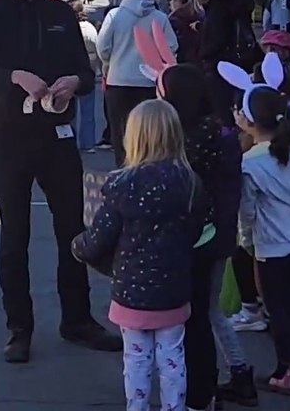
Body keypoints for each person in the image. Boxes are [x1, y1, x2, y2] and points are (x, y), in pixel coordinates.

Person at [0, 0, 121, 363]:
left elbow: (87, 74)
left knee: (73, 231)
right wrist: (8, 78)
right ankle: (19, 327)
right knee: (15, 237)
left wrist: (75, 82)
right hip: (11, 139)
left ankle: (78, 318)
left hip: (57, 137)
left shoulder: (60, 15)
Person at [71, 99, 208, 411]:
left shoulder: (122, 185)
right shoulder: (189, 183)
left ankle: (138, 406)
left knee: (136, 359)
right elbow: (196, 230)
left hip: (132, 290)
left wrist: (78, 246)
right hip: (174, 288)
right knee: (173, 356)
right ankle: (175, 406)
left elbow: (99, 239)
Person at [157, 64, 255, 408]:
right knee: (206, 314)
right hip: (217, 236)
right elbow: (230, 189)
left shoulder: (178, 139)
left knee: (191, 319)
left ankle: (199, 391)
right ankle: (217, 385)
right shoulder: (221, 134)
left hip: (188, 240)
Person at [235, 84, 290, 395]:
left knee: (277, 308)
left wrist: (246, 241)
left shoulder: (250, 163)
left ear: (247, 120)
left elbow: (246, 211)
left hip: (273, 244)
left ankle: (284, 370)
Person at [97, 0, 178, 166]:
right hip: (151, 83)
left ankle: (124, 176)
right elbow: (172, 46)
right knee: (150, 136)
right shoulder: (159, 17)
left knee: (122, 136)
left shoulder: (115, 16)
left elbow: (102, 47)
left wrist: (111, 60)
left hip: (119, 82)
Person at [69, 0, 101, 153]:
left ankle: (70, 140)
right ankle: (88, 143)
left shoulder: (67, 28)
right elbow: (98, 48)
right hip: (89, 69)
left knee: (70, 111)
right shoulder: (90, 28)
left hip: (69, 70)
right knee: (88, 110)